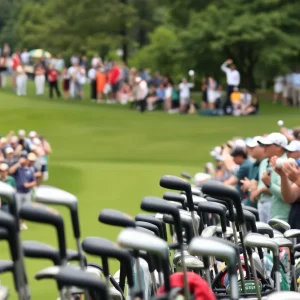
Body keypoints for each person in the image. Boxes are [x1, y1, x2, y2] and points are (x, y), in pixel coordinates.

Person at [255, 133, 290, 222]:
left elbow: (286, 195)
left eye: (268, 145)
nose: (264, 148)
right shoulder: (264, 162)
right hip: (262, 206)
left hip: (280, 215)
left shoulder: (287, 164)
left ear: (279, 147)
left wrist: (268, 185)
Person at [9, 152, 36, 230]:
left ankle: (22, 223)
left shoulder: (30, 169)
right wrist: (18, 163)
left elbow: (34, 182)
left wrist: (29, 185)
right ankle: (16, 223)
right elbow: (10, 171)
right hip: (18, 192)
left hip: (27, 192)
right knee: (17, 209)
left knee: (25, 209)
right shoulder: (17, 168)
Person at [240, 137, 265, 208]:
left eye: (252, 148)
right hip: (250, 204)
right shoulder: (253, 165)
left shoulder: (265, 164)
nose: (249, 150)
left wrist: (249, 185)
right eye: (249, 147)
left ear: (262, 148)